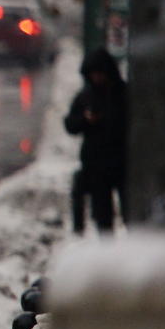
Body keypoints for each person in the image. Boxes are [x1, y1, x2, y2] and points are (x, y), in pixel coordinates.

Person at [63, 48, 129, 234]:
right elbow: (70, 124)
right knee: (103, 217)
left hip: (122, 162)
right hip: (96, 166)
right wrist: (85, 120)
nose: (97, 78)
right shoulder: (85, 97)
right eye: (93, 74)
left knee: (130, 213)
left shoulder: (124, 94)